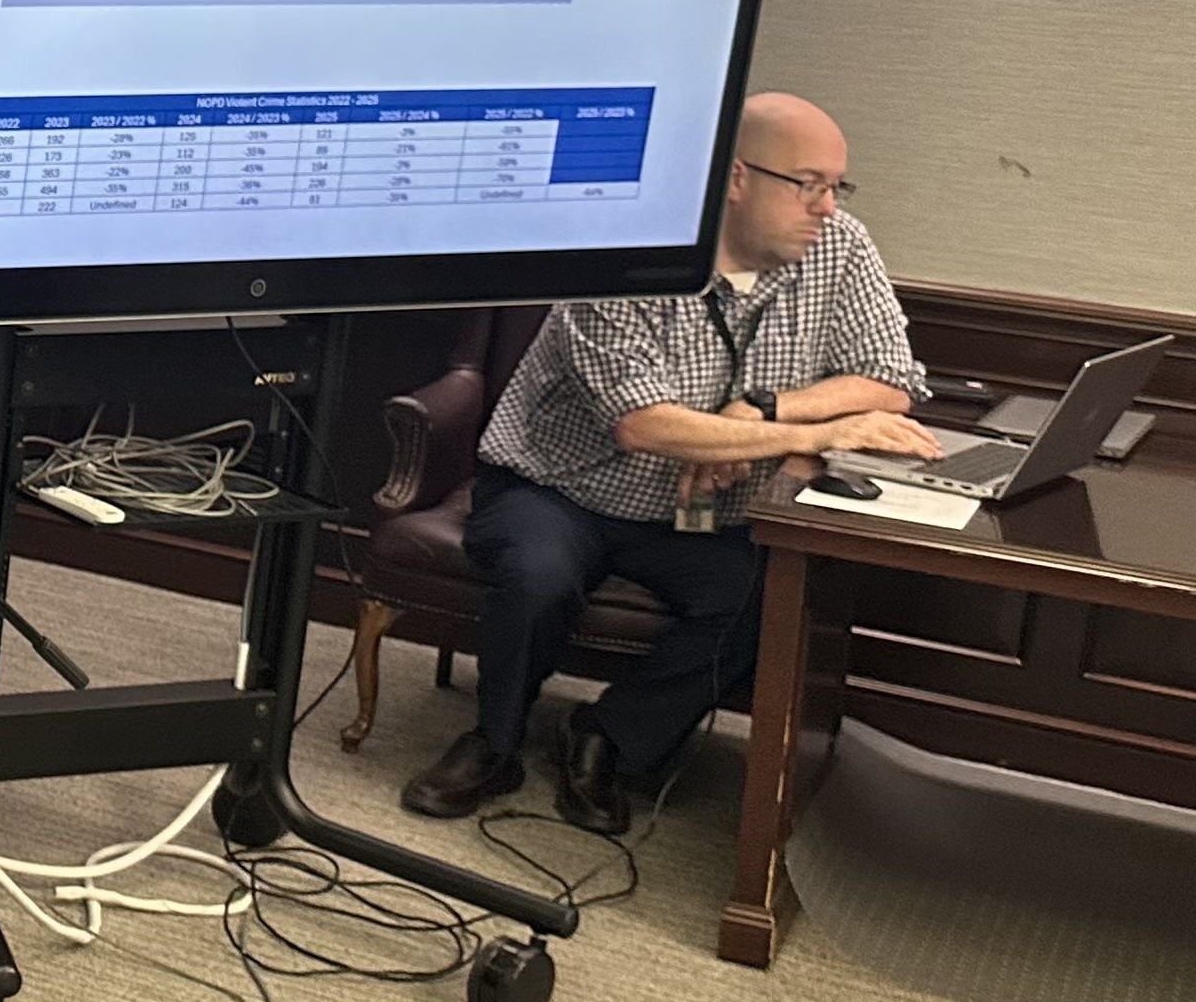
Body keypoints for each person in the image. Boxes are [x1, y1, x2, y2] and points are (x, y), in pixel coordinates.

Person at [402, 92, 939, 834]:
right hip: (561, 488)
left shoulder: (840, 247)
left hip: (702, 510)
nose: (825, 206)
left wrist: (763, 409)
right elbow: (645, 425)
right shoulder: (622, 252)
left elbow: (890, 380)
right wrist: (806, 435)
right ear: (736, 177)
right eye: (808, 183)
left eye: (835, 187)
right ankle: (494, 741)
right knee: (538, 574)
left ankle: (608, 737)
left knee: (765, 596)